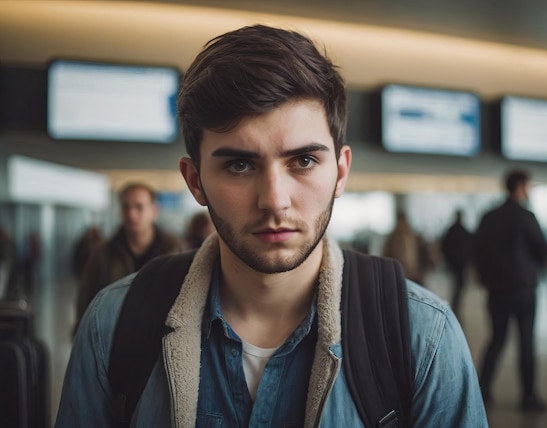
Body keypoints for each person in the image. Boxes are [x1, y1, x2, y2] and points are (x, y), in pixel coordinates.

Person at [56, 25, 487, 427]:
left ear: (340, 172)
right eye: (240, 165)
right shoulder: (114, 323)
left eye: (303, 161)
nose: (274, 200)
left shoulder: (422, 334)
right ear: (195, 181)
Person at [474, 168, 547, 412]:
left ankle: (482, 389)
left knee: (497, 339)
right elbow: (543, 250)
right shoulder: (525, 216)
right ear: (520, 186)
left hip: (497, 290)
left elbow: (478, 253)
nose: (529, 191)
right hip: (523, 289)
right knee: (526, 342)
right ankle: (528, 396)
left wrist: (487, 278)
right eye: (528, 186)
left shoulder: (489, 217)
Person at [74, 182, 183, 328]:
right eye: (126, 207)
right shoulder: (103, 253)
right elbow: (86, 298)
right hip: (115, 335)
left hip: (161, 336)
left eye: (139, 207)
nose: (131, 214)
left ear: (154, 210)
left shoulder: (174, 250)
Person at [441, 209, 473, 315]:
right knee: (459, 286)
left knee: (457, 287)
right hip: (461, 264)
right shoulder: (464, 231)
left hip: (455, 263)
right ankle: (456, 307)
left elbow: (444, 246)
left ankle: (455, 307)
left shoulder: (451, 231)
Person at [382, 212, 423, 284]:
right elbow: (386, 257)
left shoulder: (415, 238)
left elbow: (423, 255)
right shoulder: (391, 240)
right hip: (400, 275)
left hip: (415, 275)